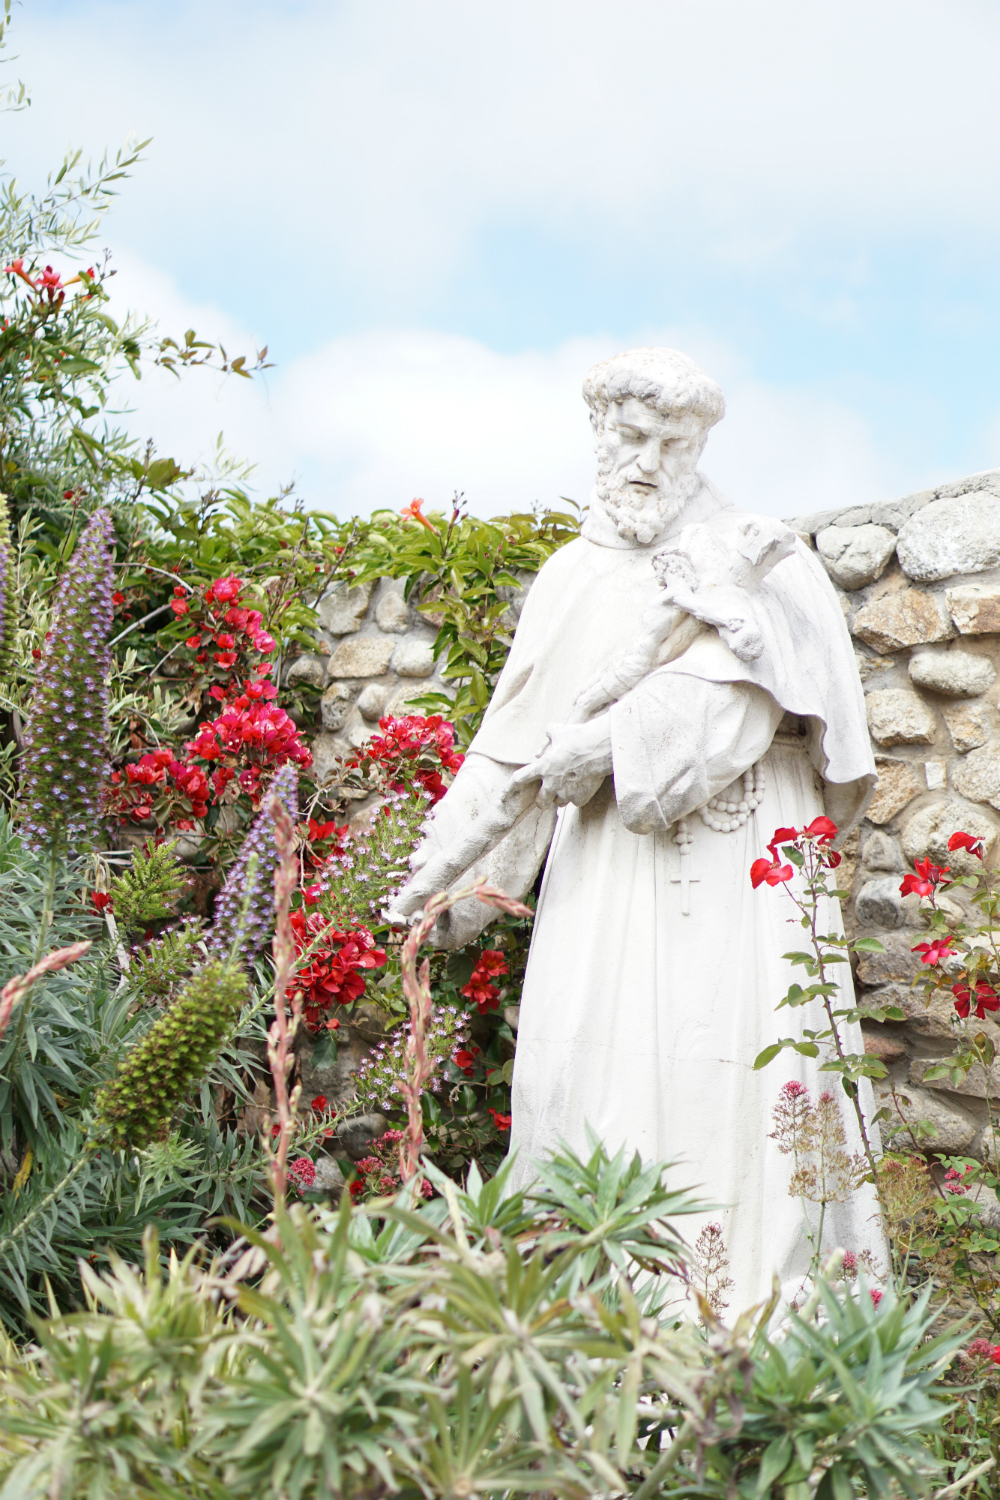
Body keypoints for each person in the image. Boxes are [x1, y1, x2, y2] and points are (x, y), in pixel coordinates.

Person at [392, 347, 884, 1311]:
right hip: (607, 878)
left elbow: (742, 713)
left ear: (701, 446)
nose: (649, 462)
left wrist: (612, 744)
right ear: (599, 438)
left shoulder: (757, 558)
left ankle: (743, 1334)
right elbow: (512, 743)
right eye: (631, 438)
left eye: (673, 442)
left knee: (735, 1095)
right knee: (589, 1081)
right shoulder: (572, 577)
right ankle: (587, 1331)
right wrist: (444, 876)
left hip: (738, 862)